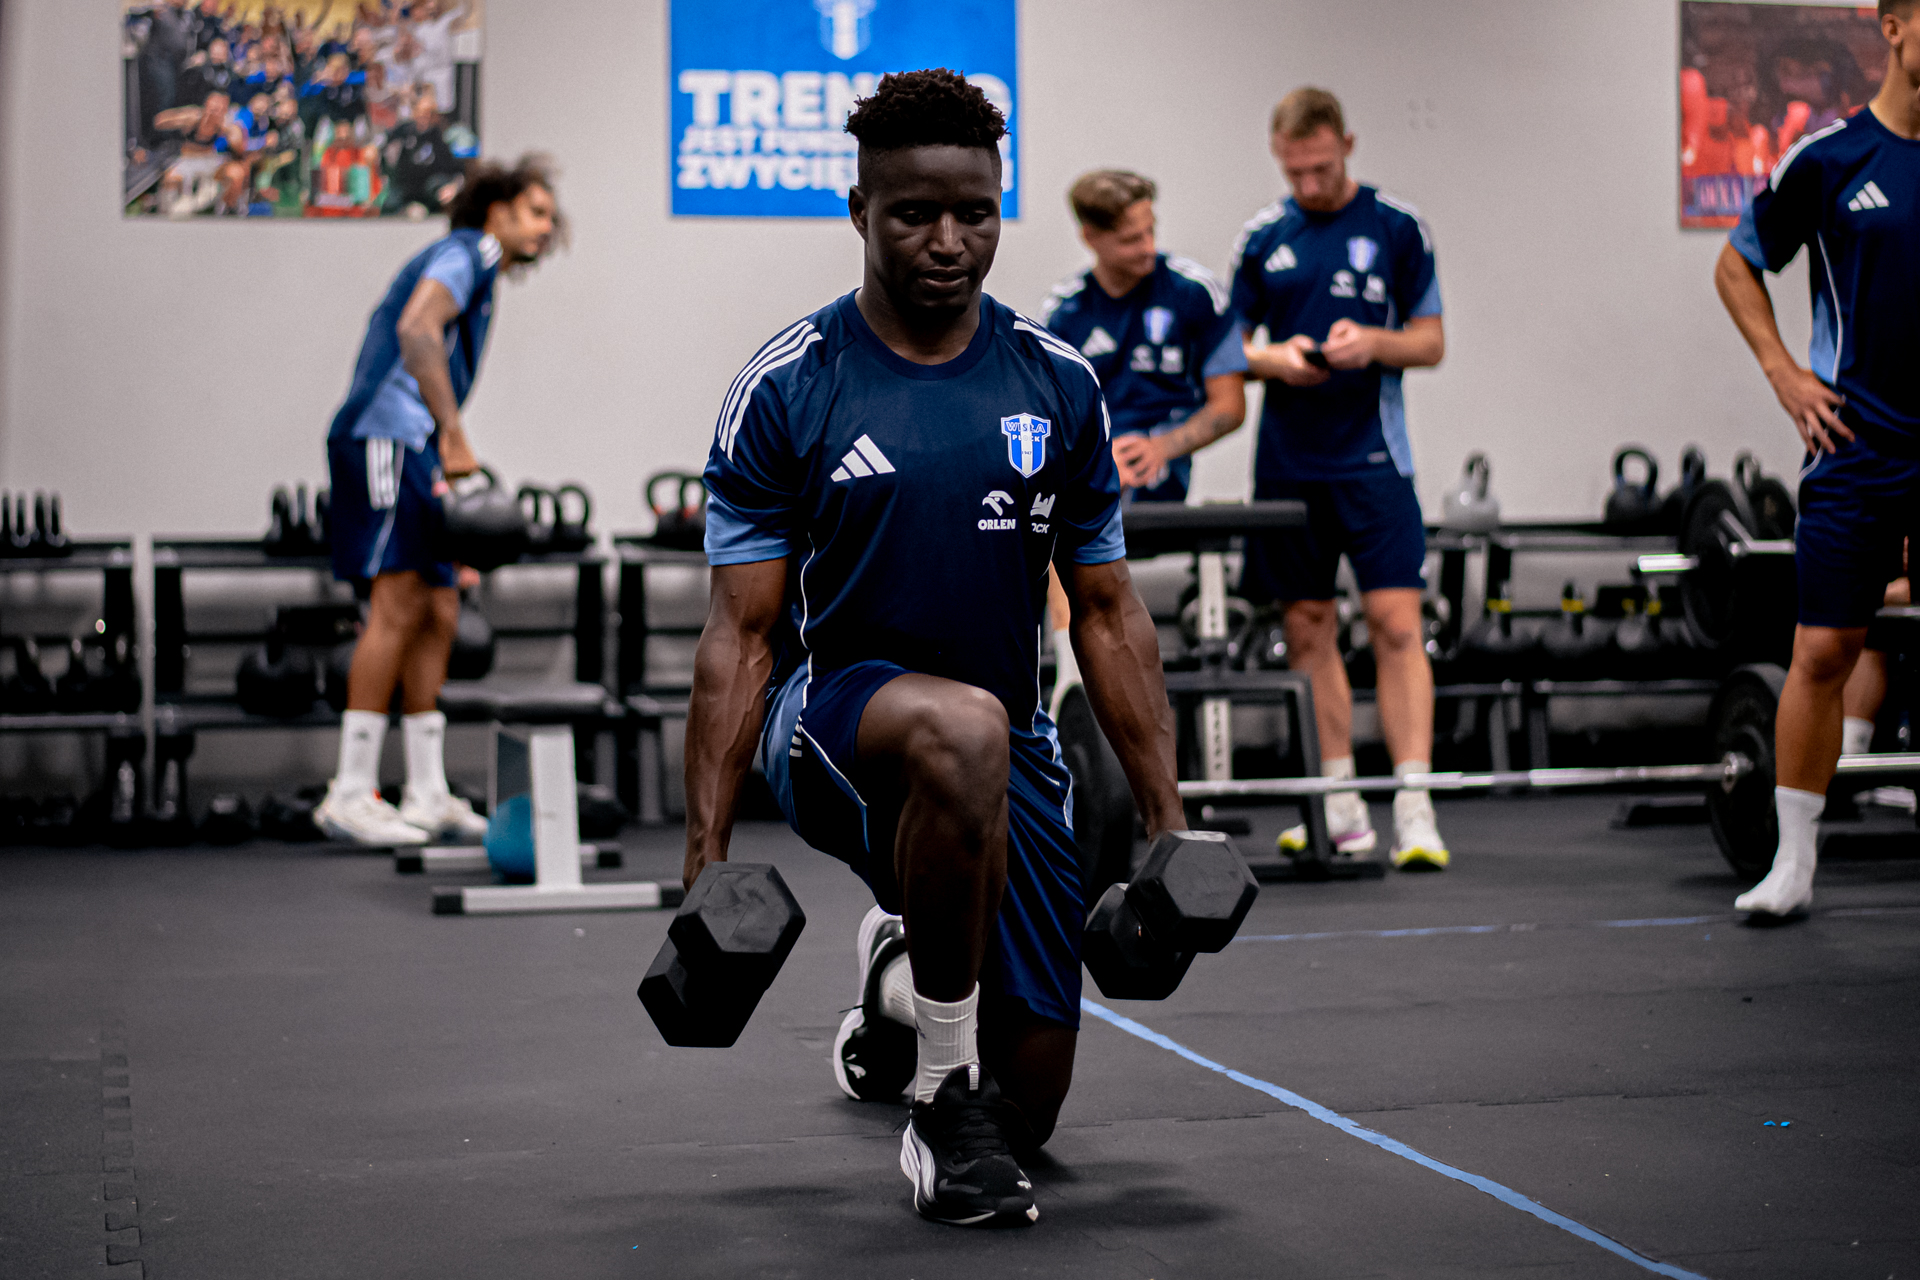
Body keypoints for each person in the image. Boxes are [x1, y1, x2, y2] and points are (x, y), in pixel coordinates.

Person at [686, 69, 1185, 1228]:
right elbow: (740, 633)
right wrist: (706, 856)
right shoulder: (790, 384)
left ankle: (902, 984)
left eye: (976, 213)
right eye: (914, 213)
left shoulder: (1057, 382)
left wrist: (1172, 823)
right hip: (831, 723)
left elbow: (1108, 610)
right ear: (858, 210)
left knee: (1036, 1103)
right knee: (963, 728)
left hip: (1010, 751)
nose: (949, 242)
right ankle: (939, 1094)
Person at [1713, 0, 1919, 919]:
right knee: (1825, 647)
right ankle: (1792, 863)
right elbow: (1736, 264)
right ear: (1894, 27)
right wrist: (1784, 374)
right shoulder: (1831, 159)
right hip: (1856, 445)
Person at [1229, 86, 1448, 869]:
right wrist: (1276, 358)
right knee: (1307, 628)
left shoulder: (1397, 226)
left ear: (1346, 145)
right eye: (1295, 171)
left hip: (1375, 460)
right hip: (1289, 463)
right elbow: (1227, 348)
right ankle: (1340, 804)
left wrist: (1373, 345)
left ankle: (1415, 808)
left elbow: (1430, 342)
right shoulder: (1264, 237)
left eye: (1321, 168)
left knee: (1397, 625)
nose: (1309, 184)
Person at [314, 155, 563, 845]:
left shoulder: (481, 269)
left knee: (442, 606)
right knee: (396, 605)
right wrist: (454, 434)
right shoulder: (470, 249)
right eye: (536, 213)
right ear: (497, 211)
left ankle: (426, 791)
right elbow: (418, 328)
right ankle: (349, 791)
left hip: (414, 442)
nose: (546, 228)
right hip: (386, 436)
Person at [1036, 169, 1248, 704]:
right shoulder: (1065, 312)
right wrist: (1097, 460)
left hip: (1161, 475)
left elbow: (1230, 406)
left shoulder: (1195, 294)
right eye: (1131, 239)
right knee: (1055, 508)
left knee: (1078, 521)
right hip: (1091, 473)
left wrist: (1162, 447)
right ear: (1091, 238)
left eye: (1151, 230)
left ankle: (1089, 679)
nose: (1148, 247)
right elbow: (1052, 424)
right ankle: (1074, 683)